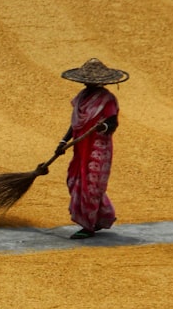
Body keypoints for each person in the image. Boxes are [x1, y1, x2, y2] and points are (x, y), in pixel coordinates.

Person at [54, 58, 129, 239]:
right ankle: (101, 217)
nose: (90, 83)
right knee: (75, 181)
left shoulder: (107, 99)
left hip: (97, 148)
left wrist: (101, 127)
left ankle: (88, 226)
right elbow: (74, 124)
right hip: (80, 147)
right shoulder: (81, 98)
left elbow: (112, 124)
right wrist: (63, 142)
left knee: (92, 186)